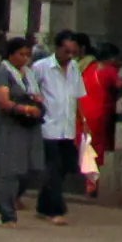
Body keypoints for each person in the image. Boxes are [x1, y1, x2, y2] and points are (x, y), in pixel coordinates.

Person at [0, 35, 45, 226]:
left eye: (28, 55)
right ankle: (8, 213)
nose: (24, 58)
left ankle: (5, 202)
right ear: (11, 54)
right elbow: (3, 100)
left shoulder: (29, 74)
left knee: (31, 168)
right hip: (10, 126)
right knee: (8, 170)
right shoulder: (4, 73)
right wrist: (24, 108)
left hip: (29, 127)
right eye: (21, 54)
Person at [28, 32, 86, 224]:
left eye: (74, 52)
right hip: (48, 126)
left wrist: (83, 123)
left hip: (66, 127)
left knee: (63, 169)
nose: (70, 56)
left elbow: (77, 97)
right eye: (66, 51)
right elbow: (30, 92)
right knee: (53, 167)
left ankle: (43, 205)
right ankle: (56, 209)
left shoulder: (75, 68)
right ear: (57, 48)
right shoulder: (41, 68)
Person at [77, 40, 122, 198]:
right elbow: (121, 85)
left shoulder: (88, 68)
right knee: (97, 151)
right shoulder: (109, 70)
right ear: (112, 58)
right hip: (99, 113)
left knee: (87, 149)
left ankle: (89, 183)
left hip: (83, 112)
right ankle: (92, 185)